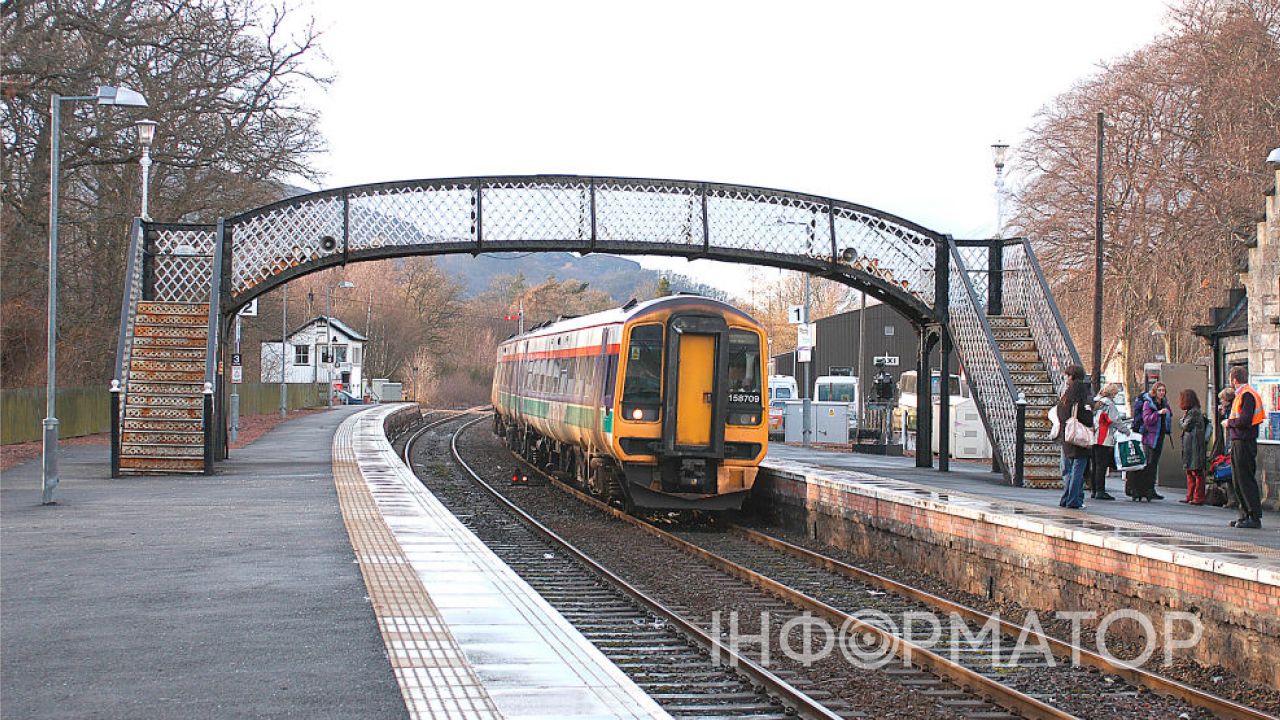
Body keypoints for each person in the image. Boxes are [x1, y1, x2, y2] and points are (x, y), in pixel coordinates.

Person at [1223, 366, 1265, 529]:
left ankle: (1253, 516)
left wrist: (1229, 423)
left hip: (1244, 442)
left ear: (1234, 380)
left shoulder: (1247, 395)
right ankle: (1244, 514)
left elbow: (1245, 420)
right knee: (1238, 479)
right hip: (1239, 441)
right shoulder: (1242, 394)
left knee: (1245, 478)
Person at [1126, 382, 1171, 501]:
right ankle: (1139, 489)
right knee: (1147, 463)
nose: (1162, 393)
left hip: (1159, 435)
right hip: (1150, 437)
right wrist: (1158, 413)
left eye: (1163, 390)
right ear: (1155, 391)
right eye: (1160, 390)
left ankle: (1150, 489)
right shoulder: (1148, 403)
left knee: (1154, 464)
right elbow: (1147, 420)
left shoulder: (1164, 403)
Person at [1056, 365, 1093, 509]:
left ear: (1071, 377)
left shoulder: (1066, 396)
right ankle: (1073, 500)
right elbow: (1087, 417)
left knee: (1069, 471)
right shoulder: (1084, 395)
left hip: (1067, 435)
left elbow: (1060, 413)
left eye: (1067, 375)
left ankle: (1066, 499)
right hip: (1080, 437)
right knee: (1078, 470)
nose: (1066, 378)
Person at [1089, 382, 1124, 500]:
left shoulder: (1096, 402)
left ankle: (1094, 489)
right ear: (1113, 393)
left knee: (1094, 464)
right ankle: (1100, 490)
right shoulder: (1109, 404)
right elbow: (1115, 421)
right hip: (1104, 437)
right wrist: (1127, 431)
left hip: (1093, 436)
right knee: (1101, 465)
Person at [1178, 389, 1207, 505]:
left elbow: (1185, 426)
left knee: (1196, 472)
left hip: (1194, 446)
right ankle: (1190, 495)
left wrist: (1181, 420)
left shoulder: (1193, 412)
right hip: (1191, 445)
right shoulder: (1193, 411)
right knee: (1190, 471)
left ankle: (1198, 497)